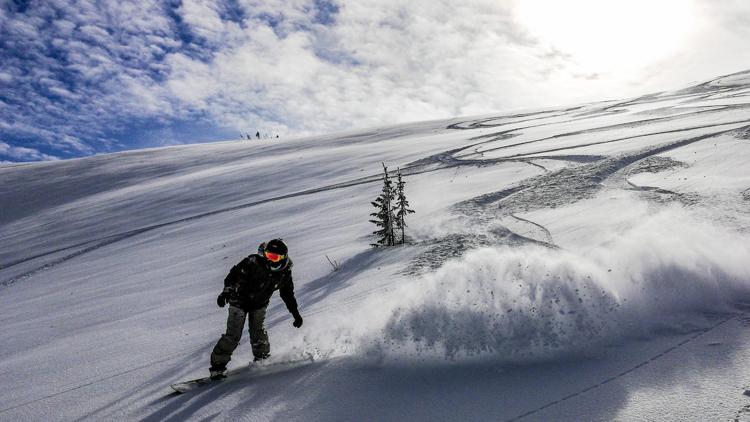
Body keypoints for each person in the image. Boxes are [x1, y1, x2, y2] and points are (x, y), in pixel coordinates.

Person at [209, 239, 303, 379]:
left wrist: (295, 314)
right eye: (268, 255)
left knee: (258, 332)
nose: (270, 259)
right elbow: (233, 276)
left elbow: (287, 294)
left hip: (259, 304)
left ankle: (262, 359)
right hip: (239, 302)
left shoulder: (284, 273)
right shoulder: (254, 262)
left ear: (283, 257)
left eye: (274, 257)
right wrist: (226, 292)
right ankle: (217, 367)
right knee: (233, 336)